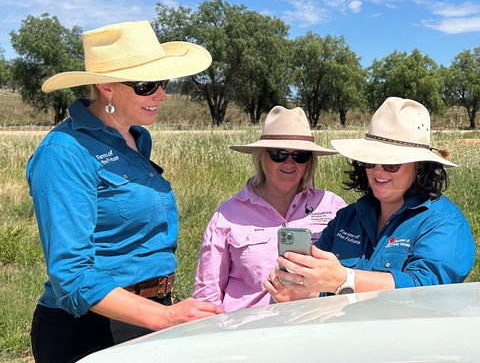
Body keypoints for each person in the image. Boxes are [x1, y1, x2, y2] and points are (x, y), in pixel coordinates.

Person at [27, 20, 224, 363]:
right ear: (105, 86)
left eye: (162, 82)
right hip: (89, 330)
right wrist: (164, 317)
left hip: (147, 315)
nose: (161, 95)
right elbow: (72, 277)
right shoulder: (64, 152)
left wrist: (163, 309)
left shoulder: (136, 139)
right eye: (147, 85)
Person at [265, 97, 475, 302]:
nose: (378, 171)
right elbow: (321, 287)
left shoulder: (444, 222)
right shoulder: (346, 218)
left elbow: (428, 288)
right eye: (370, 161)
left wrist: (346, 279)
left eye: (392, 164)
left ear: (419, 165)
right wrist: (300, 294)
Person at [193, 106, 347, 311]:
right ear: (260, 156)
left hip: (313, 328)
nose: (290, 163)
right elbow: (207, 297)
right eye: (278, 154)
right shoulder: (227, 216)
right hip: (246, 331)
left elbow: (350, 274)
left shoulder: (333, 207)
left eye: (300, 155)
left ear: (310, 161)